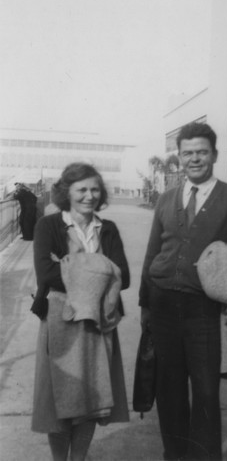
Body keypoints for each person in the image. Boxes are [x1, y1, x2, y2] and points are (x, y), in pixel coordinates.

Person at [139, 122, 227, 461]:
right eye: (187, 153)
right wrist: (145, 304)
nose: (194, 159)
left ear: (213, 154)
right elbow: (153, 252)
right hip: (164, 304)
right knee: (169, 391)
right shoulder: (167, 199)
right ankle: (175, 455)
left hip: (207, 310)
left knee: (206, 392)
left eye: (201, 152)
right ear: (179, 158)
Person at [31, 162, 130, 461]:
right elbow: (46, 273)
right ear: (66, 192)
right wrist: (100, 270)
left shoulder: (107, 228)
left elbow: (122, 274)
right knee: (56, 400)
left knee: (92, 396)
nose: (89, 196)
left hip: (100, 321)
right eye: (82, 189)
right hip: (59, 320)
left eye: (95, 189)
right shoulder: (48, 226)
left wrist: (71, 265)